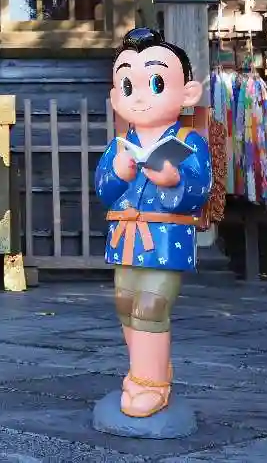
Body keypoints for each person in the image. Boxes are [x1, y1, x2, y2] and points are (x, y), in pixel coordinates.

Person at [95, 26, 211, 418]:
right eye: (128, 86)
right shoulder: (120, 144)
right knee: (125, 302)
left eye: (156, 82)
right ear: (116, 97)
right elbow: (103, 189)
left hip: (166, 235)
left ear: (188, 93)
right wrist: (119, 173)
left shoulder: (189, 141)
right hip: (126, 234)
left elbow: (200, 185)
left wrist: (174, 179)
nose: (140, 96)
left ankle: (152, 384)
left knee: (151, 304)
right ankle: (146, 370)